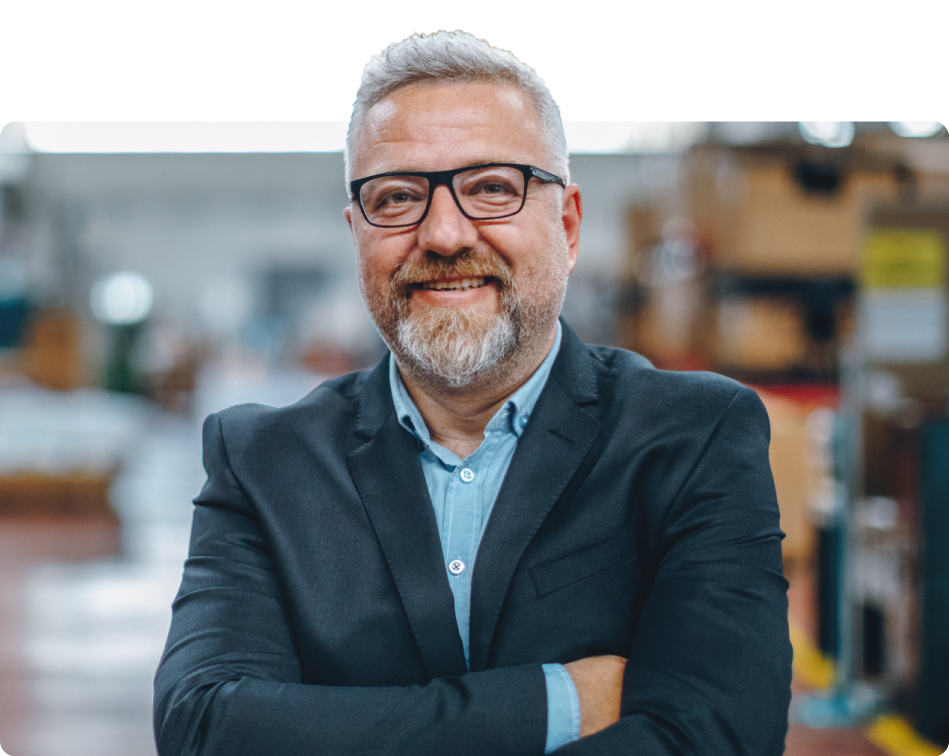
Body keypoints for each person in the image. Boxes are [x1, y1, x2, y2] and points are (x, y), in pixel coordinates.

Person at [153, 30, 792, 756]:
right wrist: (555, 702)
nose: (446, 234)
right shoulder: (262, 461)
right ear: (357, 233)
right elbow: (205, 727)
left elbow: (715, 733)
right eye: (396, 197)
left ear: (569, 224)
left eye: (492, 187)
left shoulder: (693, 437)